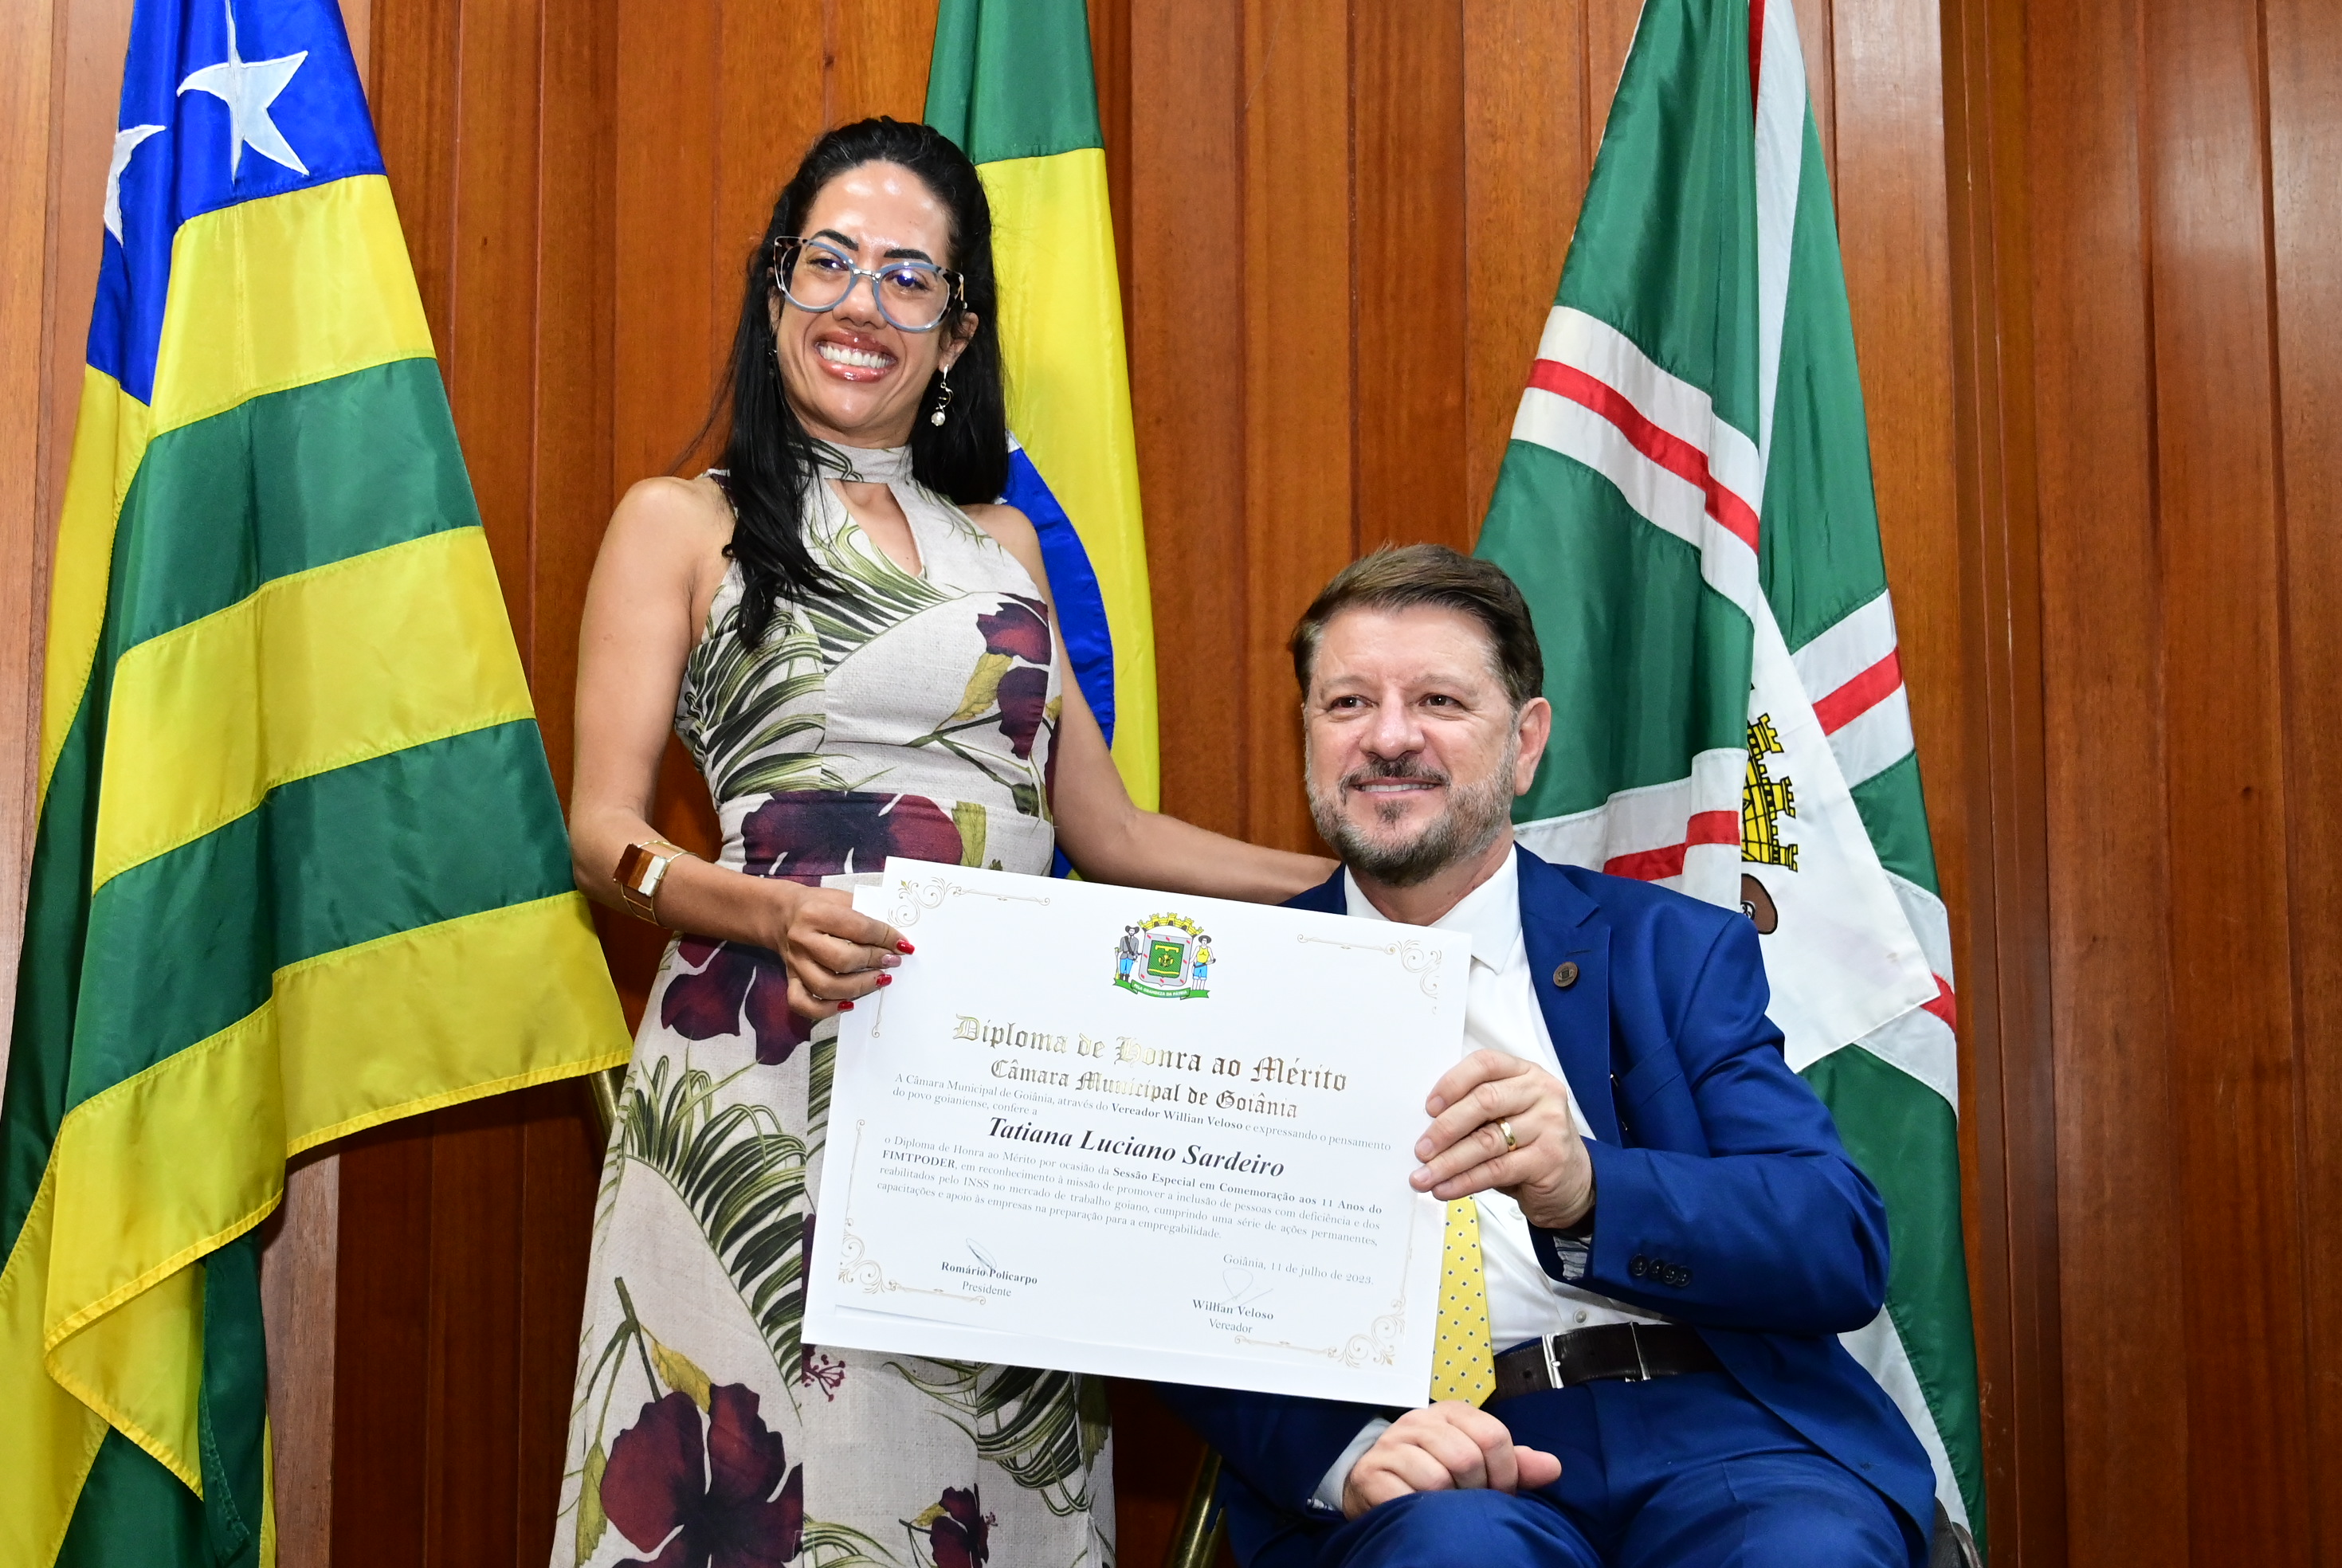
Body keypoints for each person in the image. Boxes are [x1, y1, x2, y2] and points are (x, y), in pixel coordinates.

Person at [555, 117, 1328, 1568]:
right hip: (765, 1068)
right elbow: (606, 839)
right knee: (772, 1496)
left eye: (910, 278)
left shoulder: (1005, 546)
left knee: (976, 1498)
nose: (863, 303)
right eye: (830, 262)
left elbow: (1111, 831)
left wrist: (1376, 892)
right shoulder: (678, 523)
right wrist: (761, 911)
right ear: (775, 288)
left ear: (957, 334)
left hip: (999, 1096)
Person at [1155, 545, 1936, 1568]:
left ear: (1525, 744)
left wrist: (1590, 1189)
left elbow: (1835, 1244)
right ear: (1308, 733)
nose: (1388, 737)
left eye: (1438, 700)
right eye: (1347, 704)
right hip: (1436, 1462)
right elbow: (1162, 1282)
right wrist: (1345, 1458)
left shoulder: (1672, 953)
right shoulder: (1228, 986)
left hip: (1716, 1432)